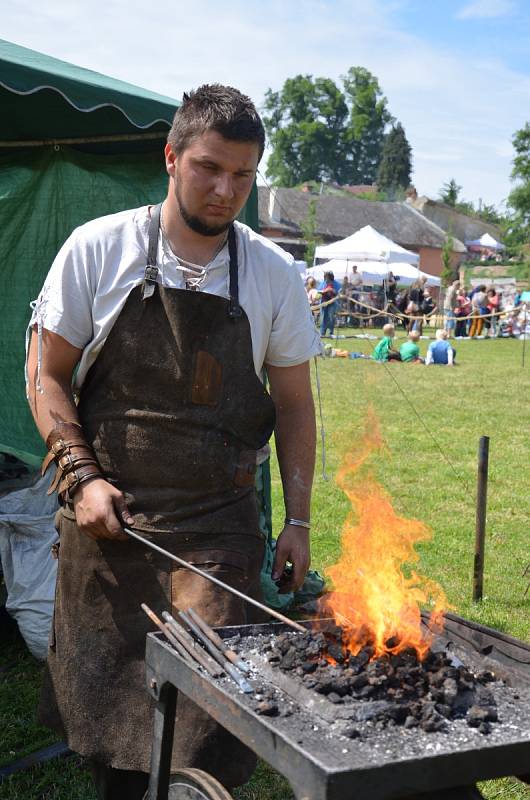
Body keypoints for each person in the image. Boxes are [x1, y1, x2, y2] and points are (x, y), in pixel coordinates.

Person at [26, 84, 321, 799]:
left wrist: (300, 519)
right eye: (209, 168)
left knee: (207, 723)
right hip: (110, 523)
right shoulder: (98, 249)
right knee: (113, 727)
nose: (225, 190)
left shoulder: (274, 275)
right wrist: (81, 477)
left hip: (217, 530)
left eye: (243, 175)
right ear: (170, 158)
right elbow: (45, 373)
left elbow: (293, 404)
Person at [319, 270, 339, 336]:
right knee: (323, 317)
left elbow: (338, 293)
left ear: (330, 276)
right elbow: (318, 291)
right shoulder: (322, 283)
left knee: (331, 317)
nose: (325, 278)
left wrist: (332, 290)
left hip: (332, 303)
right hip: (324, 302)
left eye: (326, 276)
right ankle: (322, 333)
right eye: (325, 276)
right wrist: (324, 291)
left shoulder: (336, 283)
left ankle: (331, 333)